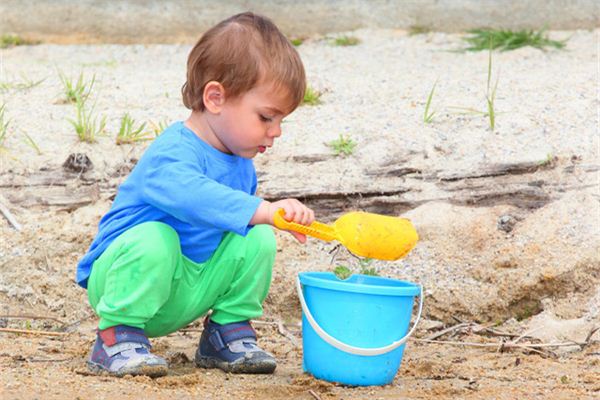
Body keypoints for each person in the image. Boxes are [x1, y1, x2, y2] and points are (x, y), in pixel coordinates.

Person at [76, 12, 314, 377]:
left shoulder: (241, 164)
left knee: (257, 238)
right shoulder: (173, 151)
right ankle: (114, 338)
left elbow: (231, 223)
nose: (276, 131)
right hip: (123, 282)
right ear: (215, 97)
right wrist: (262, 208)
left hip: (188, 284)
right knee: (157, 238)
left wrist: (271, 217)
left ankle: (226, 333)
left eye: (282, 120)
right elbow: (193, 197)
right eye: (266, 117)